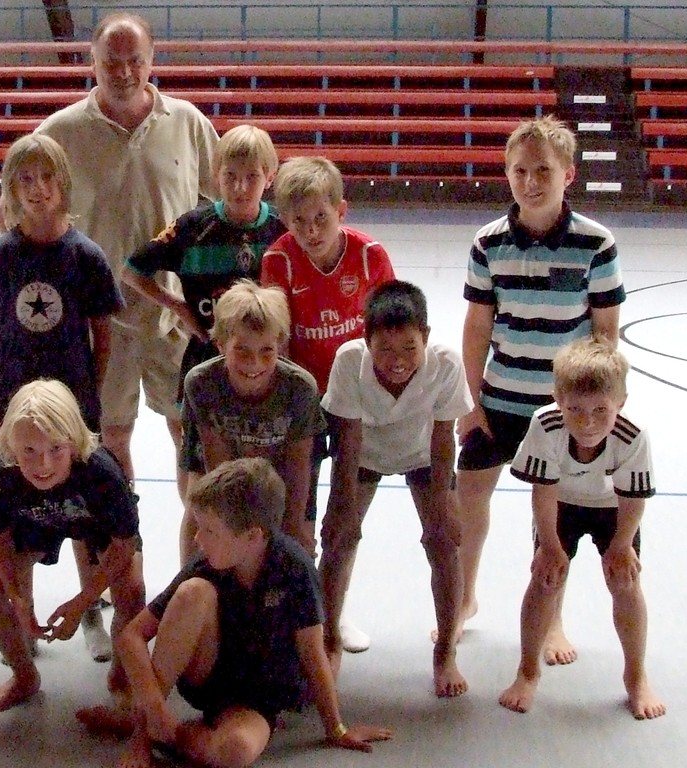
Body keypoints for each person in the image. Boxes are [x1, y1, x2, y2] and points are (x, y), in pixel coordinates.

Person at [0, 11, 218, 657]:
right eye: (110, 61)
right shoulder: (60, 132)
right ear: (91, 63)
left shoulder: (188, 124)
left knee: (190, 444)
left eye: (135, 60)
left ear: (152, 61)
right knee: (104, 450)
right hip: (98, 327)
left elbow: (230, 198)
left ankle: (196, 577)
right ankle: (112, 585)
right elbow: (12, 204)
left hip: (175, 318)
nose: (123, 72)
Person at [78, 457, 393, 768]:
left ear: (253, 536)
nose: (198, 539)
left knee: (236, 750)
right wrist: (154, 704)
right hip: (209, 674)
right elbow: (133, 635)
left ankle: (158, 729)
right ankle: (142, 734)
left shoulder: (293, 568)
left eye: (210, 531)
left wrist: (336, 728)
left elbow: (312, 650)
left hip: (257, 699)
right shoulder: (204, 566)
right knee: (193, 593)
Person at [454, 115, 625, 663]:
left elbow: (605, 333)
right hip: (500, 400)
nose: (532, 182)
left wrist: (596, 410)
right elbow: (478, 327)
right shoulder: (488, 243)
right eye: (520, 171)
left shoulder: (596, 244)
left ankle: (552, 619)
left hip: (562, 409)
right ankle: (463, 599)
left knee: (554, 515)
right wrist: (471, 401)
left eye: (543, 171)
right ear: (507, 174)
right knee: (468, 498)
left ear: (568, 174)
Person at [0, 133, 124, 662]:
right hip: (13, 416)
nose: (37, 190)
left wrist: (88, 401)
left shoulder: (86, 257)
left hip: (71, 417)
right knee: (22, 513)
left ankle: (92, 611)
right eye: (25, 180)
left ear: (64, 184)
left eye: (47, 178)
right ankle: (21, 616)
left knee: (82, 512)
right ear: (10, 189)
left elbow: (102, 333)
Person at [122, 123, 285, 561]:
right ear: (215, 175)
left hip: (263, 373)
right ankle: (193, 576)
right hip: (206, 367)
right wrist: (175, 305)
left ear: (269, 176)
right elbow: (133, 269)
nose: (240, 185)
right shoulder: (193, 227)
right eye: (230, 175)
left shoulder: (281, 234)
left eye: (252, 176)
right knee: (201, 482)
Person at [260, 155, 396, 653]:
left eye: (321, 218)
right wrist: (296, 409)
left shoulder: (368, 257)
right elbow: (282, 340)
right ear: (284, 221)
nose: (311, 230)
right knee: (299, 515)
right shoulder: (277, 260)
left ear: (342, 210)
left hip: (357, 407)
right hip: (305, 406)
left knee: (345, 517)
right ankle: (299, 615)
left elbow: (387, 333)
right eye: (298, 222)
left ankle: (331, 612)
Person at [498, 339, 664, 720]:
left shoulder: (632, 436)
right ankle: (527, 671)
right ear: (558, 399)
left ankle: (636, 676)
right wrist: (550, 548)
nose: (587, 422)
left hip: (613, 509)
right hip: (562, 504)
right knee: (545, 579)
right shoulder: (545, 424)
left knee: (625, 582)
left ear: (621, 402)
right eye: (575, 409)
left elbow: (633, 501)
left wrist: (621, 546)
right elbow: (544, 494)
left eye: (600, 411)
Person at [321, 281, 472, 695]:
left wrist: (443, 504)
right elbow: (346, 439)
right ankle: (328, 639)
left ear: (426, 336)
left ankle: (445, 649)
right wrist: (341, 506)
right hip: (364, 453)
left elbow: (444, 439)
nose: (397, 360)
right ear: (366, 342)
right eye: (384, 349)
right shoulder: (349, 360)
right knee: (339, 541)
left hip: (422, 455)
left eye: (409, 347)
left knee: (444, 544)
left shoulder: (446, 364)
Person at [0, 379, 145, 714]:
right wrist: (18, 598)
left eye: (56, 450)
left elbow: (124, 544)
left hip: (96, 526)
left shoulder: (102, 472)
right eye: (29, 452)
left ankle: (121, 674)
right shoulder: (4, 475)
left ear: (73, 441)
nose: (43, 465)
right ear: (10, 447)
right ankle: (24, 676)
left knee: (133, 590)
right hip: (34, 522)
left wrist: (83, 601)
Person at [180, 280, 325, 560]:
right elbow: (217, 466)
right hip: (224, 466)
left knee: (295, 544)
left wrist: (291, 534)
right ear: (221, 344)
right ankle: (190, 577)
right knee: (204, 525)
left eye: (266, 351)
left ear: (280, 346)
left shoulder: (300, 388)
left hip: (282, 469)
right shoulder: (201, 383)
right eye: (242, 350)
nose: (254, 363)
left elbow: (299, 468)